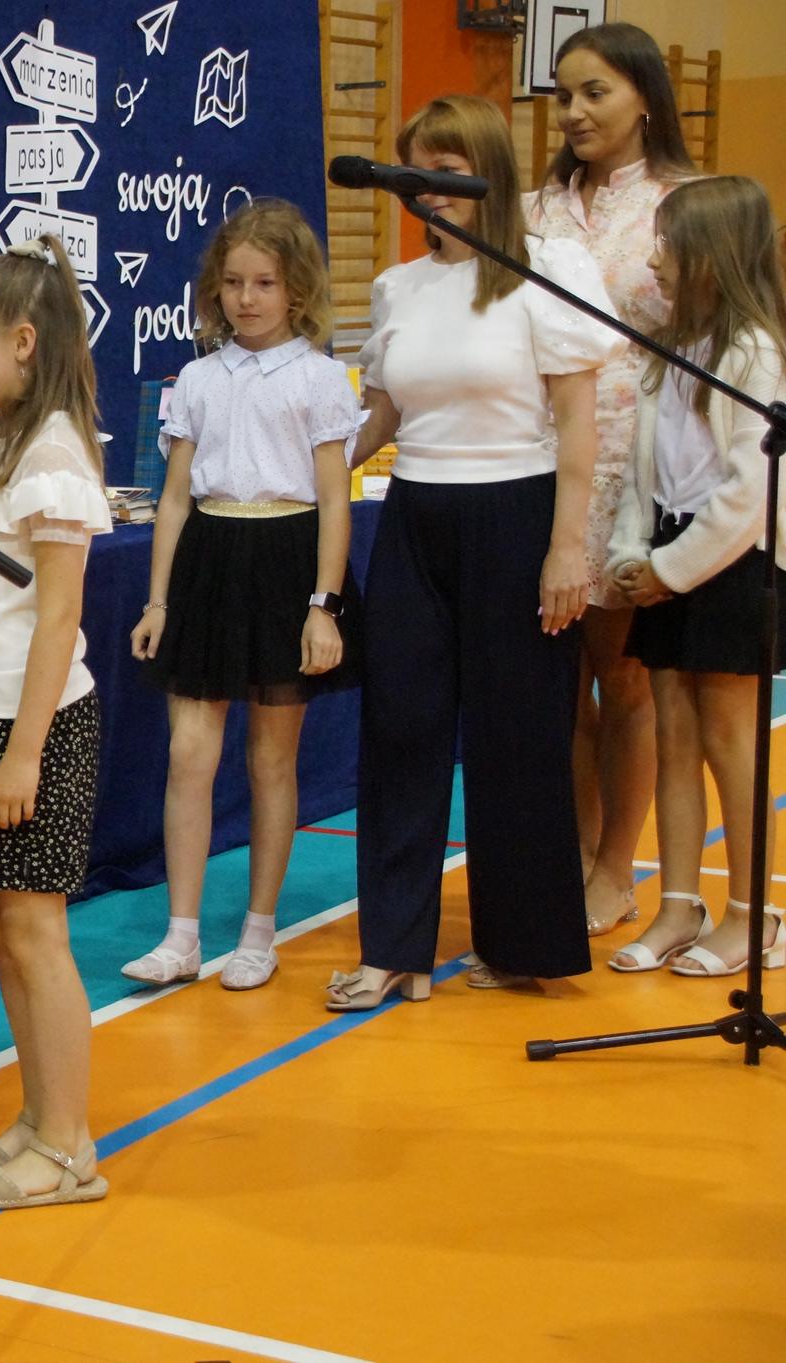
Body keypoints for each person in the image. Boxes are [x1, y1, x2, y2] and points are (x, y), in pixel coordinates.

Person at [334, 95, 623, 1010]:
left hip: (518, 512)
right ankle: (395, 948)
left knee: (519, 736)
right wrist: (301, 461)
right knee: (402, 729)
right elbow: (382, 414)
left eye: (447, 170)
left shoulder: (546, 270)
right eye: (416, 170)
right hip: (414, 515)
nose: (428, 189)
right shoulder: (399, 287)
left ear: (486, 174)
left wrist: (567, 549)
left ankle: (524, 941)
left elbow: (577, 427)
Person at [126, 199, 364, 992]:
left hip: (287, 559)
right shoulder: (197, 377)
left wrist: (323, 604)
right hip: (209, 556)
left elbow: (334, 500)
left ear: (296, 290)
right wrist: (158, 602)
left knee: (270, 756)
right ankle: (181, 933)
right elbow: (173, 499)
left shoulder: (319, 377)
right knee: (189, 753)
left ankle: (259, 931)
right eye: (233, 282)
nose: (247, 298)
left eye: (264, 282)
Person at [0, 236, 112, 1209]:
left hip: (31, 725)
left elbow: (57, 612)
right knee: (3, 925)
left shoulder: (51, 453)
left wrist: (25, 754)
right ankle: (38, 1120)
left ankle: (70, 1145)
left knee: (36, 932)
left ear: (23, 342)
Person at [524, 21, 702, 938]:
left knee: (622, 678)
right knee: (553, 687)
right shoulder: (536, 208)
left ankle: (615, 867)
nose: (574, 111)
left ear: (645, 98)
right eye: (564, 95)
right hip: (537, 464)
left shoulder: (685, 203)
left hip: (638, 468)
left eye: (595, 92)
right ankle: (571, 849)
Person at [605, 176, 786, 976]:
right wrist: (632, 552)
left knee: (729, 739)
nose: (655, 259)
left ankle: (754, 914)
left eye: (668, 243)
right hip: (671, 553)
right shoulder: (673, 349)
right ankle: (680, 904)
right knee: (673, 734)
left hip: (734, 561)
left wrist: (671, 572)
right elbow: (644, 471)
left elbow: (748, 491)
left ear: (711, 254)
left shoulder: (755, 354)